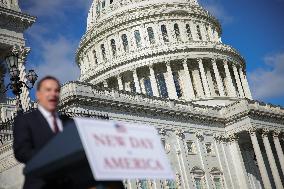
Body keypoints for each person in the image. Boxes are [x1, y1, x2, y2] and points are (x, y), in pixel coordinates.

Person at [13, 76, 71, 189]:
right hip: (41, 184)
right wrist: (53, 156)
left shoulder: (68, 121)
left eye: (57, 90)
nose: (53, 94)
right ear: (38, 94)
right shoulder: (25, 120)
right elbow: (22, 152)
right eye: (48, 90)